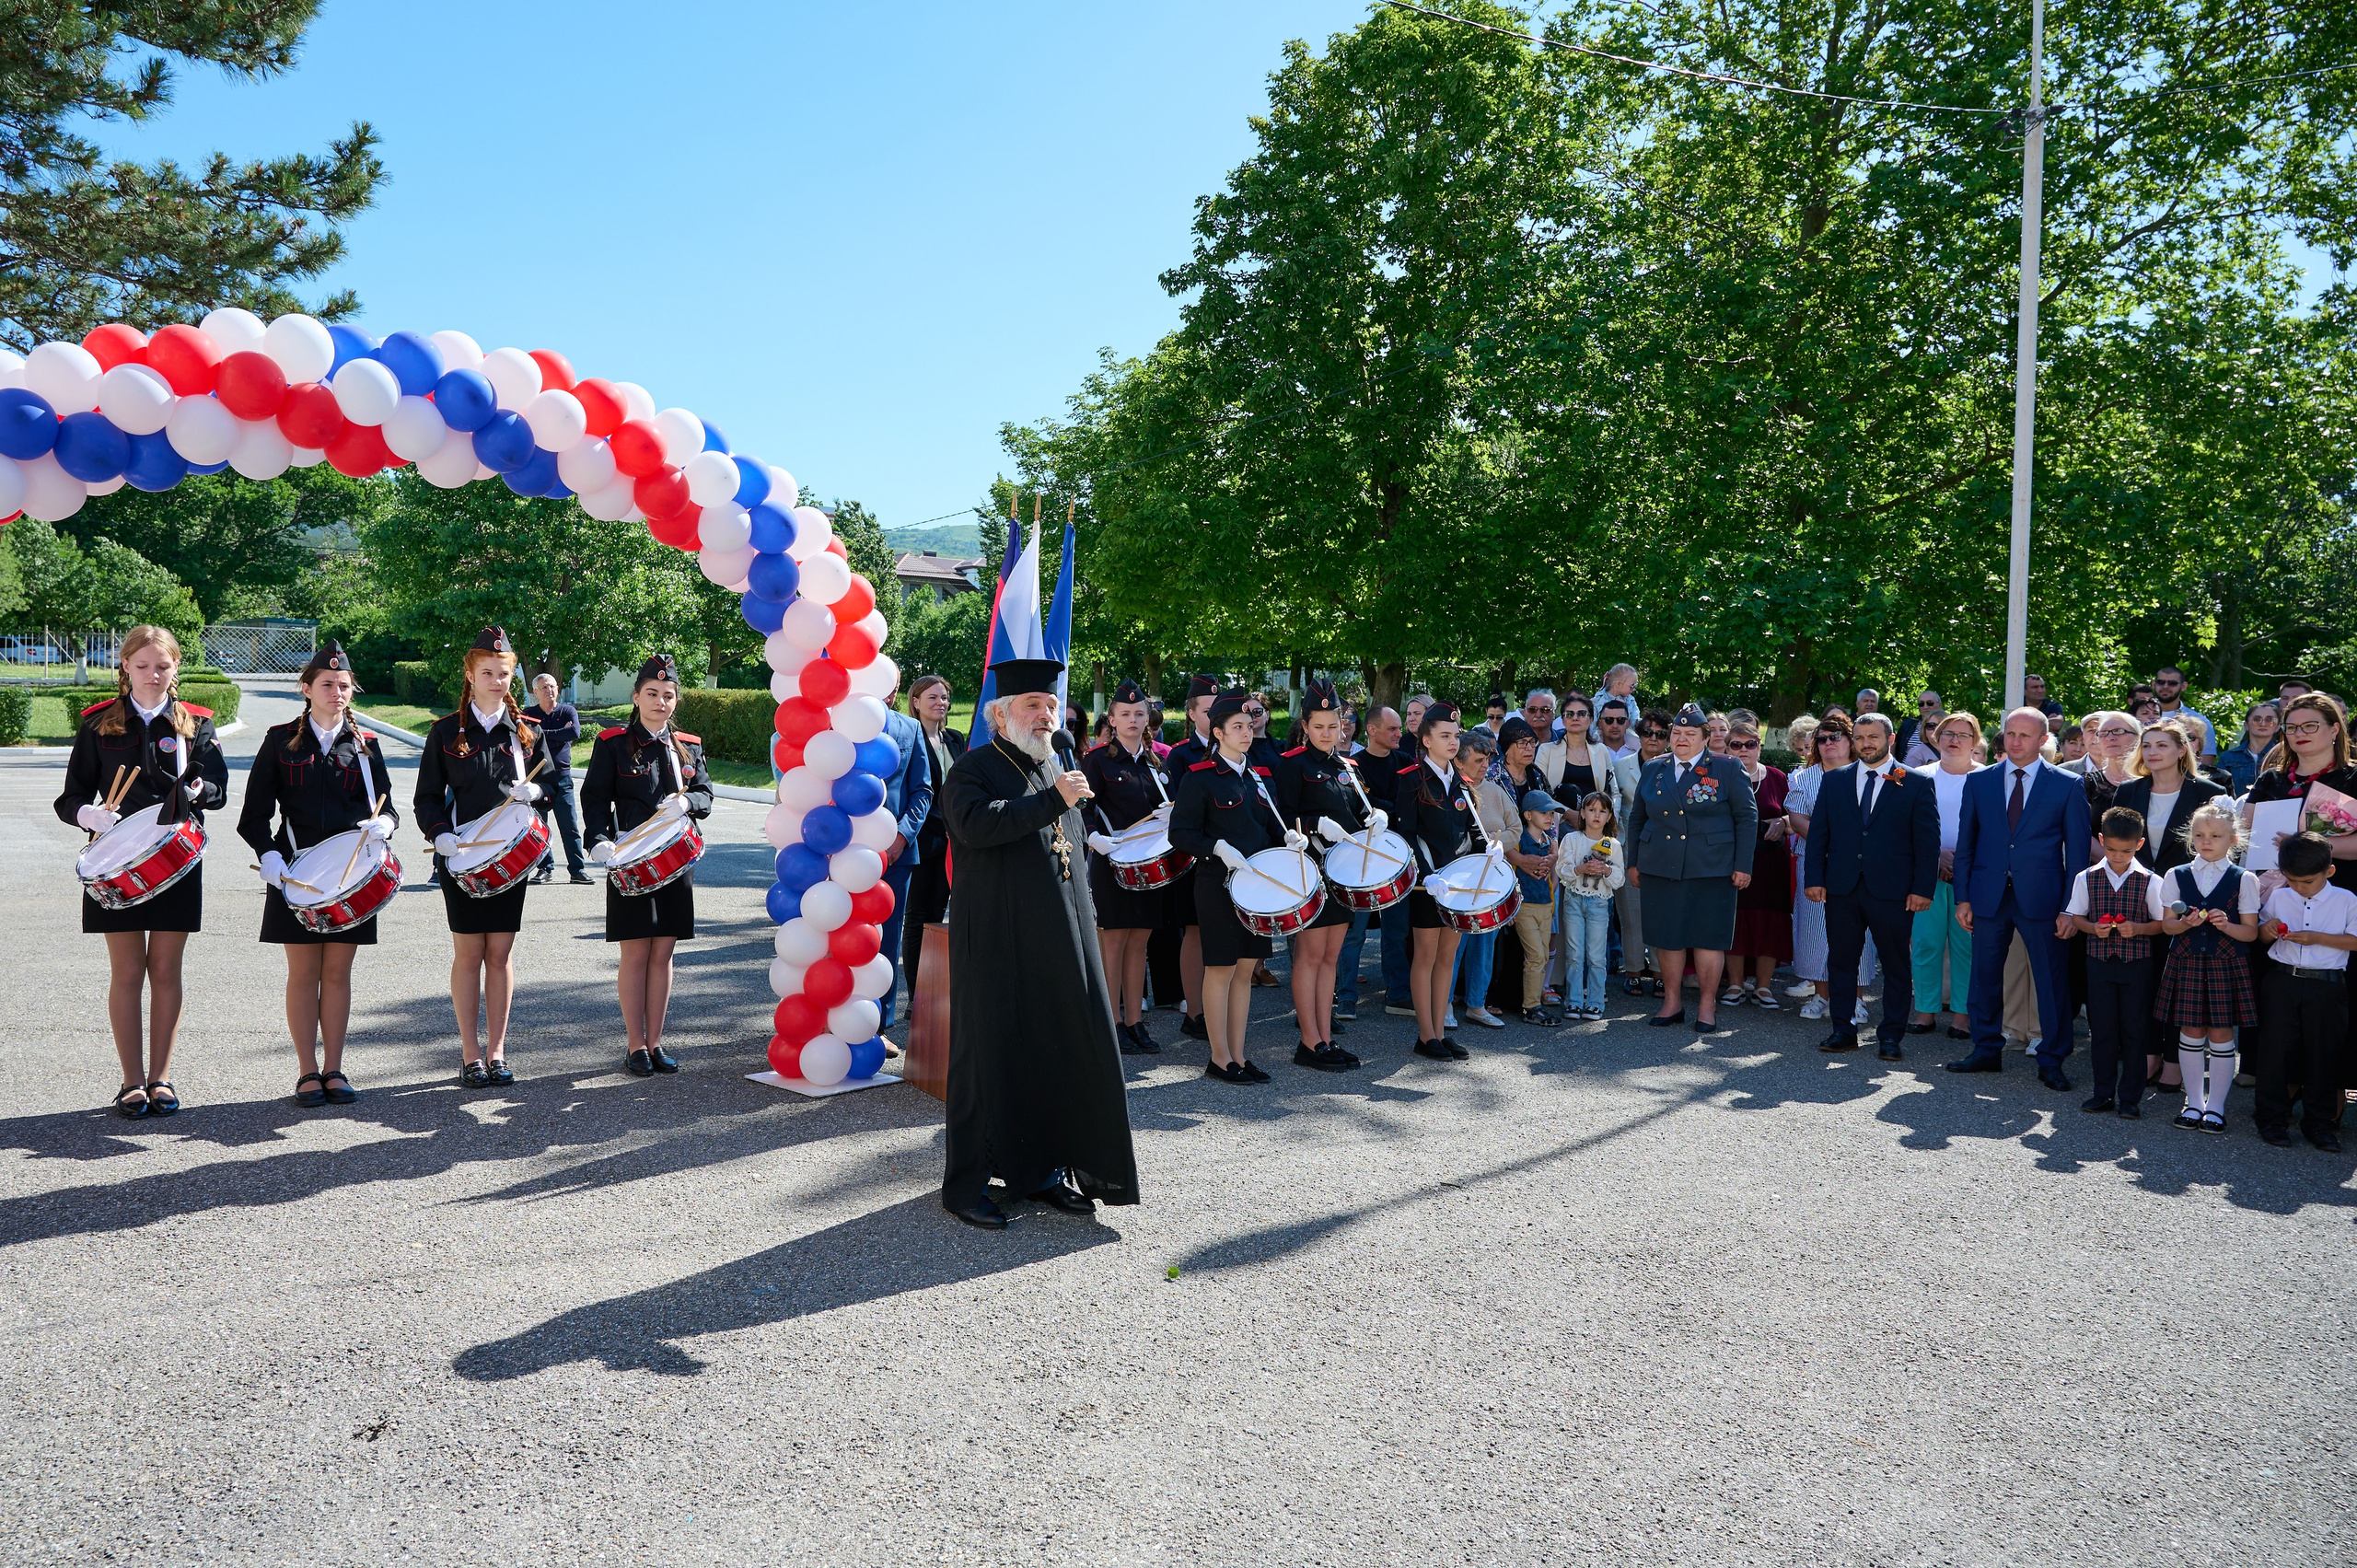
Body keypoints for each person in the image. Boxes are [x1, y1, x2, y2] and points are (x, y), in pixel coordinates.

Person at [935, 655, 1139, 1228]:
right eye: (1033, 705)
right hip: (996, 941)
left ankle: (1042, 1171)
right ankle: (966, 1185)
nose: (1046, 715)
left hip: (1059, 936)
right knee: (987, 1057)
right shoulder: (972, 768)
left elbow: (1066, 847)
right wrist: (1056, 799)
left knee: (1054, 1048)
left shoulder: (1057, 764)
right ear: (1001, 716)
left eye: (1051, 705)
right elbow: (979, 826)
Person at [53, 623, 228, 1119]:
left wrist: (199, 793)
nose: (153, 674)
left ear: (176, 669)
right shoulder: (97, 724)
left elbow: (217, 789)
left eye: (163, 665)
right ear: (125, 667)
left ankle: (162, 1078)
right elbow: (69, 798)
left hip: (175, 859)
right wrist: (90, 816)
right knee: (128, 971)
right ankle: (131, 1081)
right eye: (143, 665)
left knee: (167, 970)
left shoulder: (196, 724)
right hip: (117, 861)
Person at [237, 641, 400, 1108]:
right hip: (297, 875)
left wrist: (384, 826)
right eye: (327, 684)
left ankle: (335, 1068)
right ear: (306, 689)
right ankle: (307, 1070)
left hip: (350, 878)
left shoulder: (366, 746)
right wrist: (268, 854)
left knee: (339, 973)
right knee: (304, 972)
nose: (337, 692)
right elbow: (253, 816)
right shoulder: (279, 740)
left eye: (344, 685)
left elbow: (385, 806)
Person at [414, 626, 552, 1089]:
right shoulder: (445, 733)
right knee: (469, 953)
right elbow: (427, 798)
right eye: (488, 672)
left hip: (510, 860)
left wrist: (537, 791)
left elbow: (554, 787)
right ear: (470, 674)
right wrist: (439, 834)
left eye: (505, 673)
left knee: (501, 952)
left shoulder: (527, 733)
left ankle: (497, 1051)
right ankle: (469, 1053)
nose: (497, 681)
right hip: (462, 859)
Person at [581, 654, 713, 1076]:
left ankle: (656, 1042)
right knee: (636, 951)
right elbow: (595, 797)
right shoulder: (613, 743)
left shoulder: (687, 746)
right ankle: (634, 1045)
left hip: (675, 861)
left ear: (677, 701)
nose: (660, 701)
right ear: (636, 697)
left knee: (664, 952)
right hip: (630, 859)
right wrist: (598, 839)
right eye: (652, 694)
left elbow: (706, 796)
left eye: (668, 695)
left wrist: (688, 801)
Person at [1945, 708, 2091, 1089]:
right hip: (1988, 897)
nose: (2014, 741)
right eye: (2010, 733)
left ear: (2043, 740)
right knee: (1984, 977)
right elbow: (1966, 846)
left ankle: (2052, 1059)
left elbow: (2077, 855)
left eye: (2024, 736)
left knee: (2051, 980)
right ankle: (1985, 1049)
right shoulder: (1981, 782)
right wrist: (1963, 898)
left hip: (2043, 900)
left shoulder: (2066, 785)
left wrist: (2070, 908)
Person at [1168, 688, 1300, 1084]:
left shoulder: (1259, 778)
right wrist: (1216, 848)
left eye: (1250, 724)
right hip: (1217, 884)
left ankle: (1239, 1055)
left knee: (1245, 970)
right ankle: (1219, 1056)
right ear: (1219, 733)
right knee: (1222, 968)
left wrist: (1289, 839)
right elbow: (1180, 834)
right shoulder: (1200, 777)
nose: (1248, 731)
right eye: (1237, 726)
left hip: (1256, 887)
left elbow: (1271, 827)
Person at [2242, 693, 2357, 1129]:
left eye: (2311, 725)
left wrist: (2307, 840)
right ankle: (2280, 1084)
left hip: (2339, 894)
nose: (2300, 734)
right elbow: (2247, 832)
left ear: (2334, 729)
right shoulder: (2272, 779)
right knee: (2278, 997)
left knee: (2338, 1005)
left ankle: (2329, 1096)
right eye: (2293, 727)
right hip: (2279, 895)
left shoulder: (2353, 779)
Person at [1803, 711, 1939, 1060]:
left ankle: (1890, 1037)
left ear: (1890, 739)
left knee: (1896, 966)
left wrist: (1923, 889)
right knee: (1842, 962)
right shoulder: (1835, 780)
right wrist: (1814, 879)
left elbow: (1927, 843)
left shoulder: (1916, 782)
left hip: (1894, 891)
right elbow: (1819, 834)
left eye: (1873, 737)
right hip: (1842, 888)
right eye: (1860, 738)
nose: (1866, 744)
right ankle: (1842, 1031)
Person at [1625, 704, 1758, 1032]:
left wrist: (1743, 865)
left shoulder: (1727, 768)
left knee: (1708, 938)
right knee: (1668, 937)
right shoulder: (1655, 768)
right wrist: (1633, 861)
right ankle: (1671, 1002)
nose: (1681, 739)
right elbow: (1637, 817)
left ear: (1705, 738)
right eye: (1677, 733)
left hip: (1711, 866)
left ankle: (1707, 1006)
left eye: (1690, 734)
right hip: (1661, 863)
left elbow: (1746, 818)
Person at [2113, 720, 2225, 1094]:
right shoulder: (2129, 791)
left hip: (2190, 900)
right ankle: (2149, 1054)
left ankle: (2176, 1061)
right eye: (2147, 746)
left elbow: (2223, 846)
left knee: (2179, 982)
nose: (2153, 752)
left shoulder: (2209, 792)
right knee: (2143, 979)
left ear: (2182, 751)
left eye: (2162, 745)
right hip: (2137, 896)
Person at [1272, 677, 1369, 1070]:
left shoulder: (1347, 766)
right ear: (1305, 726)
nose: (1329, 733)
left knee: (1331, 957)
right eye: (1320, 726)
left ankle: (1326, 1038)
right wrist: (1314, 824)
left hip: (1343, 874)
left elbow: (1358, 813)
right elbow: (1283, 816)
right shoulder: (1291, 764)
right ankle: (1308, 1042)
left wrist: (1374, 818)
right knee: (1310, 957)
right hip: (1311, 870)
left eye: (1336, 725)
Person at [2152, 803, 2259, 1133]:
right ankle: (2193, 1103)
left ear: (2233, 838)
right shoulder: (2176, 875)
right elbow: (2167, 926)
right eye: (2199, 835)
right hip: (2187, 961)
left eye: (2215, 835)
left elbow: (2251, 932)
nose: (2206, 841)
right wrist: (2183, 924)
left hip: (2226, 964)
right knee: (2190, 1031)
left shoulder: (2245, 879)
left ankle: (2216, 1107)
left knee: (2222, 1033)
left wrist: (2226, 926)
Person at [1080, 679, 1173, 1055]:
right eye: (1125, 714)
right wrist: (1093, 838)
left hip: (1148, 866)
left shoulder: (1156, 763)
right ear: (1112, 720)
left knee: (1140, 943)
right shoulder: (1098, 760)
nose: (1133, 720)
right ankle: (1111, 1023)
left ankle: (1135, 1021)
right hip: (1111, 862)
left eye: (1139, 714)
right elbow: (1081, 808)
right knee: (1114, 943)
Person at [2253, 833, 2357, 1150]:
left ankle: (2320, 1123)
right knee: (2274, 1052)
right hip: (2282, 981)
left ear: (2330, 872)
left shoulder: (2347, 900)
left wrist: (2319, 938)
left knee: (2323, 1053)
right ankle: (2271, 1119)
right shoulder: (2280, 897)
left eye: (2307, 881)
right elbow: (2261, 933)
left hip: (2326, 985)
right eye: (2293, 880)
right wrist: (2267, 931)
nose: (2299, 887)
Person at [1392, 701, 1480, 1060]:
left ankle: (1441, 1032)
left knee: (1448, 956)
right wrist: (1426, 876)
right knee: (1425, 956)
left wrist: (1487, 846)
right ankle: (1425, 1034)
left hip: (1456, 884)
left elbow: (1471, 827)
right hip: (1428, 884)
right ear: (1426, 740)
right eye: (1444, 736)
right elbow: (1407, 836)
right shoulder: (1412, 779)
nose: (1453, 742)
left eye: (1455, 735)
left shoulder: (1460, 781)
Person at [2065, 806, 2164, 1118]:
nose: (2117, 856)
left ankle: (2130, 1097)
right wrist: (2093, 928)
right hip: (2099, 964)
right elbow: (2077, 917)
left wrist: (2139, 929)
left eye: (2125, 850)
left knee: (2135, 1030)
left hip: (2137, 966)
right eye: (2110, 849)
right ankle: (2103, 1092)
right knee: (2103, 1030)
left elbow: (2162, 923)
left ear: (2139, 844)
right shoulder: (2087, 877)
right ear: (2101, 840)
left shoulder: (2151, 880)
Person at [1786, 715, 1867, 1024]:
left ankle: (1856, 1000)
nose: (1828, 743)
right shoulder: (1803, 778)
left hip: (1859, 865)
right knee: (1815, 929)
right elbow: (1796, 819)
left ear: (1851, 740)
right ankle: (1821, 995)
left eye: (1835, 737)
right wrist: (1832, 842)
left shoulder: (1868, 775)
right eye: (1822, 739)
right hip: (1815, 861)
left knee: (1859, 930)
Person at [1909, 713, 1981, 1039]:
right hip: (1926, 871)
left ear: (1975, 742)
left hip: (1973, 874)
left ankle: (1962, 1016)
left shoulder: (1989, 777)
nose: (1954, 740)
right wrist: (1936, 853)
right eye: (1947, 733)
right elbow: (1899, 824)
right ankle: (1924, 1011)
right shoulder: (1912, 775)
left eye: (1963, 735)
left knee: (1966, 945)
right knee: (1926, 943)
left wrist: (1964, 858)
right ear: (1935, 738)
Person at [900, 674, 965, 1022]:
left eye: (944, 697)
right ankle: (915, 996)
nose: (940, 702)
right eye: (932, 697)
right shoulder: (910, 739)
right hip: (923, 839)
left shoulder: (955, 739)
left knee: (938, 919)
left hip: (955, 841)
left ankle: (935, 991)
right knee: (918, 920)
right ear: (915, 702)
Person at [1162, 673, 1221, 1040]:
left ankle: (1219, 1007)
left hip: (1226, 859)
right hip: (1193, 858)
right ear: (1191, 713)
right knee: (1196, 933)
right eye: (1208, 710)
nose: (1216, 716)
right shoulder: (1182, 756)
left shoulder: (1236, 749)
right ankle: (1195, 1011)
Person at [876, 687, 935, 1032]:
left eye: (890, 686)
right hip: (841, 853)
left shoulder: (909, 729)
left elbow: (922, 789)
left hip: (895, 855)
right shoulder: (834, 725)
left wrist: (901, 836)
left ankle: (879, 1027)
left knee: (887, 938)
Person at [1448, 727, 1515, 1030]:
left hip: (1490, 879)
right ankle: (1444, 1004)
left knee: (1484, 943)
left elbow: (1516, 827)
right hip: (1459, 879)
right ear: (1459, 762)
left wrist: (1499, 845)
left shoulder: (1496, 791)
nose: (1485, 765)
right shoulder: (1449, 789)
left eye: (1487, 759)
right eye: (1478, 760)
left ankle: (1477, 1004)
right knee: (1454, 947)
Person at [1722, 721, 1792, 1008]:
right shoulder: (1720, 776)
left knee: (1770, 922)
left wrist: (1782, 821)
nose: (1743, 750)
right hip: (1732, 860)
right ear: (1727, 748)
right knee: (1735, 922)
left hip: (1771, 862)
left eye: (1750, 744)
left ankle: (1764, 987)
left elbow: (1795, 816)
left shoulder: (1777, 777)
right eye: (1736, 744)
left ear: (1759, 748)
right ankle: (1735, 984)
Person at [1357, 703, 1414, 1022]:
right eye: (1392, 728)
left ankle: (1399, 991)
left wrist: (1384, 809)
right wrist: (1389, 810)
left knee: (1397, 928)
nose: (1399, 733)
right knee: (1354, 933)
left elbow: (1408, 806)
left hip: (1397, 854)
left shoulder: (1405, 761)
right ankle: (1344, 993)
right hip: (1363, 857)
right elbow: (1359, 809)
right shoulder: (1355, 765)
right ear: (1372, 730)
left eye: (1399, 727)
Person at [1552, 791, 1621, 1022]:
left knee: (1596, 955)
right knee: (1574, 953)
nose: (1596, 815)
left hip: (1600, 903)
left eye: (1602, 811)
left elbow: (1619, 879)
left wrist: (1606, 870)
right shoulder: (1572, 839)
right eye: (1591, 810)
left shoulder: (1613, 845)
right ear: (1582, 813)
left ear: (1609, 816)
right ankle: (1573, 1000)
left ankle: (1595, 1001)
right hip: (1574, 898)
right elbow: (1562, 870)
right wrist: (1580, 870)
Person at [523, 673, 588, 885]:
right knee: (539, 826)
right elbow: (527, 737)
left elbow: (573, 732)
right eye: (543, 687)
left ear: (558, 688)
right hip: (538, 780)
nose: (549, 690)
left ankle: (577, 870)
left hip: (562, 778)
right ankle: (545, 868)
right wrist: (556, 733)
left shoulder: (567, 711)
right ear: (535, 692)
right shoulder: (528, 715)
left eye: (552, 686)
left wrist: (542, 733)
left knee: (569, 825)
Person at [2150, 666, 2216, 759]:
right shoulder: (2136, 717)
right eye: (2160, 682)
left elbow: (2205, 765)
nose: (2165, 686)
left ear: (2183, 686)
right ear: (2153, 684)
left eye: (2172, 683)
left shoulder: (2200, 723)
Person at [2216, 699, 2281, 796]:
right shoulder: (2227, 757)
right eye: (2257, 719)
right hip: (2236, 809)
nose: (2263, 724)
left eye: (2269, 720)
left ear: (2278, 727)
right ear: (2246, 725)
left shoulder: (2284, 756)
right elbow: (2220, 792)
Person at [1896, 691, 1943, 762]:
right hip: (1906, 770)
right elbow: (1895, 748)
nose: (1925, 707)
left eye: (1930, 703)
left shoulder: (1949, 724)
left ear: (1939, 705)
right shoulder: (1908, 725)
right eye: (1921, 704)